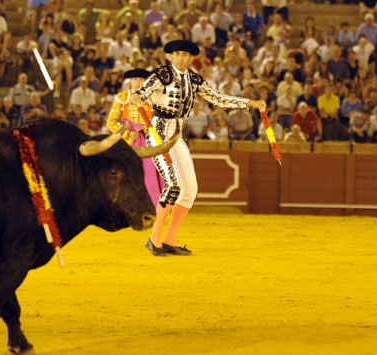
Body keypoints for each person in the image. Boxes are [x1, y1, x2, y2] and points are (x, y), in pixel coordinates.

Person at [130, 40, 266, 256]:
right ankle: (154, 240)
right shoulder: (161, 75)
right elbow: (143, 92)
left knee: (190, 190)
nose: (180, 57)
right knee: (173, 186)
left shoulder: (194, 79)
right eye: (176, 54)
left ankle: (170, 239)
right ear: (171, 56)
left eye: (185, 54)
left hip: (177, 136)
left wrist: (251, 103)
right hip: (158, 134)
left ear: (191, 57)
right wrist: (136, 96)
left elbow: (218, 98)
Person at [107, 68, 163, 207]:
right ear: (130, 81)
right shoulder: (122, 97)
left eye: (141, 80)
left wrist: (147, 130)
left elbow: (160, 122)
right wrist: (127, 133)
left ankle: (152, 205)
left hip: (149, 142)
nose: (138, 82)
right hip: (127, 143)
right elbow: (111, 123)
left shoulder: (153, 98)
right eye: (135, 80)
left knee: (151, 175)